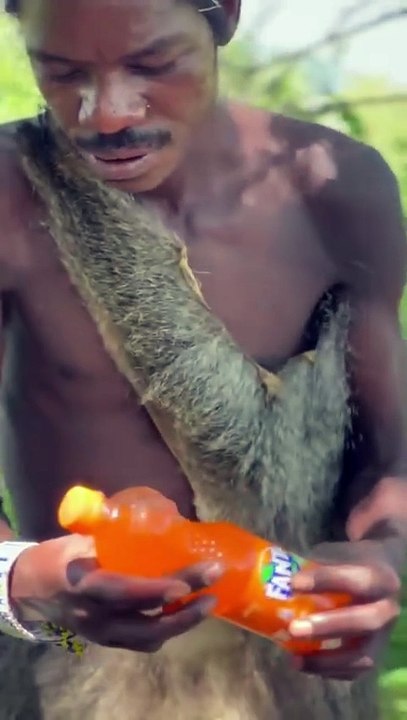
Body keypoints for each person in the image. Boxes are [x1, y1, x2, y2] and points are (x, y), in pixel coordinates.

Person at [0, 0, 406, 718]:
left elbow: (390, 459)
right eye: (61, 73)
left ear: (224, 15)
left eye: (153, 64)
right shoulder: (10, 193)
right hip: (67, 670)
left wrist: (382, 562)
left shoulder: (337, 186)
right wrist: (21, 579)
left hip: (301, 685)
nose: (107, 114)